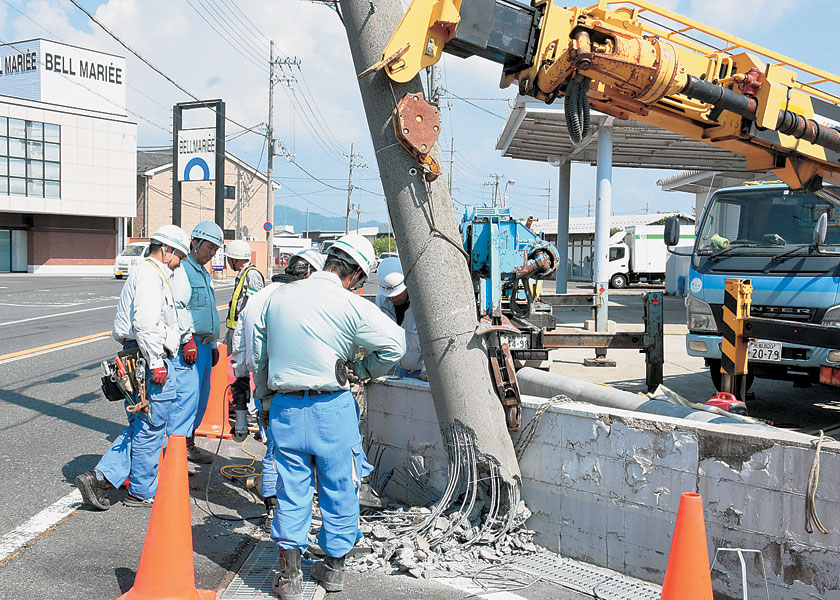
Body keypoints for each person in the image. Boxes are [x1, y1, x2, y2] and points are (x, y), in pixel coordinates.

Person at [253, 234, 406, 600]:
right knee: (339, 488)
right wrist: (363, 369)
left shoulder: (279, 296)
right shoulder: (349, 304)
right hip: (332, 408)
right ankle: (333, 570)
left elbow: (260, 354)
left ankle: (289, 578)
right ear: (354, 274)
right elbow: (396, 345)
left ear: (328, 261)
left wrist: (264, 398)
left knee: (292, 491)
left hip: (286, 407)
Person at [75, 225, 190, 509]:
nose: (180, 262)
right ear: (167, 250)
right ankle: (139, 490)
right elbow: (146, 323)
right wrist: (156, 361)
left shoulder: (149, 273)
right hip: (148, 357)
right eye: (180, 256)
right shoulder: (151, 274)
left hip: (137, 356)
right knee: (152, 425)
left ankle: (100, 477)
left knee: (142, 424)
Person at [229, 247, 325, 529]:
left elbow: (240, 347)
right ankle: (291, 509)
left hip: (262, 386)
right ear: (308, 274)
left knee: (272, 446)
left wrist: (242, 380)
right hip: (292, 386)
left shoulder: (256, 299)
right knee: (296, 450)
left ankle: (271, 505)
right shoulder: (299, 302)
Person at [171, 221, 223, 464]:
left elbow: (207, 309)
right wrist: (187, 339)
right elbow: (179, 307)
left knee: (201, 398)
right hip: (189, 347)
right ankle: (175, 451)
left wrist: (213, 345)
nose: (212, 253)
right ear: (195, 242)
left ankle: (188, 443)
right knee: (186, 399)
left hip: (203, 345)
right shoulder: (183, 269)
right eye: (210, 247)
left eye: (215, 249)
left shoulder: (203, 272)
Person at [375, 256, 425, 378]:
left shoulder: (421, 304)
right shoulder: (382, 301)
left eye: (396, 294)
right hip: (395, 370)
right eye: (389, 295)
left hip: (420, 371)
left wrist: (427, 373)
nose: (392, 298)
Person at [223, 239, 264, 349]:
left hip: (243, 333)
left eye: (228, 258)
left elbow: (256, 306)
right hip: (235, 330)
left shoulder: (252, 275)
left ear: (234, 259)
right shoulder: (243, 274)